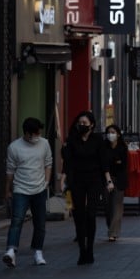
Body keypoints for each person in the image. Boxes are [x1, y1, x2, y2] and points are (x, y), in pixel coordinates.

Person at [59, 111, 111, 266]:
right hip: (77, 180)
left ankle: (90, 249)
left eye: (85, 123)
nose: (81, 125)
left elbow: (104, 162)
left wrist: (108, 180)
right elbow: (67, 162)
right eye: (79, 123)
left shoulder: (98, 140)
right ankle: (82, 249)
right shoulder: (72, 140)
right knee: (78, 214)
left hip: (94, 180)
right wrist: (63, 180)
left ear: (92, 125)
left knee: (91, 214)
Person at [2, 117, 52, 268]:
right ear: (28, 133)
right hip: (20, 189)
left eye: (39, 133)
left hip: (39, 189)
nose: (38, 136)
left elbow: (48, 163)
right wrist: (7, 190)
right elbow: (10, 171)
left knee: (40, 223)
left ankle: (38, 252)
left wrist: (46, 182)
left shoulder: (45, 143)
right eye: (35, 133)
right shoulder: (14, 147)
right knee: (16, 220)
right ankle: (11, 251)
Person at [103, 124, 128, 242]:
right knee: (108, 207)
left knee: (117, 206)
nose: (110, 134)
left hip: (119, 179)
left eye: (113, 132)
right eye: (108, 132)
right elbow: (104, 165)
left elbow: (123, 165)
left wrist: (117, 163)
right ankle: (112, 228)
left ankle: (113, 232)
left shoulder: (123, 147)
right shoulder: (104, 147)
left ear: (118, 134)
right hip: (106, 178)